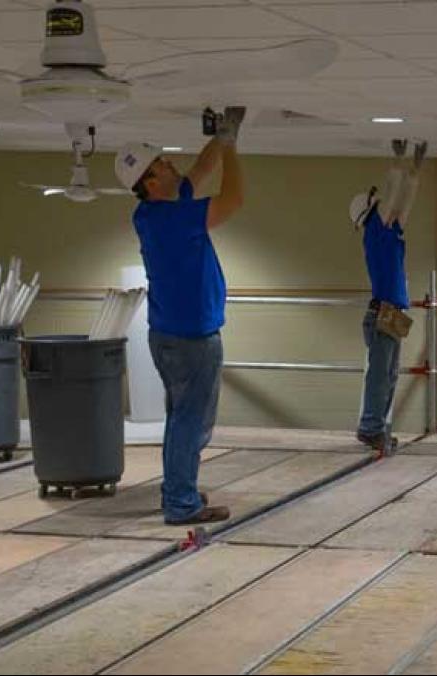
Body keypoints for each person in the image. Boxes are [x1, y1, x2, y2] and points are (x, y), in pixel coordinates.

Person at [113, 106, 246, 524]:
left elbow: (198, 172)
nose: (172, 164)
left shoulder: (156, 212)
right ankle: (181, 503)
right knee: (191, 422)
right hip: (191, 338)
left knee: (183, 419)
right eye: (162, 164)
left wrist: (221, 140)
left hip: (174, 334)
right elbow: (234, 198)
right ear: (150, 182)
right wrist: (233, 148)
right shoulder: (174, 218)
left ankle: (179, 490)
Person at [349, 138, 427, 452]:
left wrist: (415, 171)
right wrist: (398, 163)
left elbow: (402, 204)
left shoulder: (389, 232)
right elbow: (393, 199)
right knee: (380, 377)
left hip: (390, 314)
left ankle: (376, 427)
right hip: (382, 314)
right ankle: (370, 427)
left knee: (389, 375)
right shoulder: (376, 234)